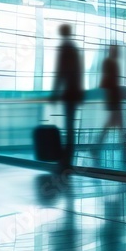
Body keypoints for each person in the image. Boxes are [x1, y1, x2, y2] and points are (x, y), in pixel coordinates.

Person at [51, 24, 84, 169]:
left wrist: (55, 92)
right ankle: (68, 156)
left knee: (69, 125)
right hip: (75, 92)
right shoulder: (74, 48)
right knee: (70, 126)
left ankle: (66, 158)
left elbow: (60, 72)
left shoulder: (64, 48)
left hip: (68, 93)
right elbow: (79, 71)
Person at [95, 44, 124, 148]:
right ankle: (125, 149)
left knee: (116, 124)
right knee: (116, 124)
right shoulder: (110, 62)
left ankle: (97, 145)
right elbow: (109, 80)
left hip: (113, 97)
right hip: (113, 97)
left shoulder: (111, 62)